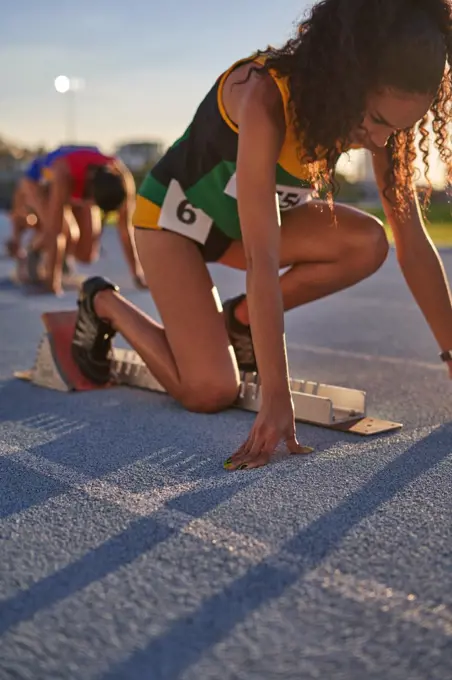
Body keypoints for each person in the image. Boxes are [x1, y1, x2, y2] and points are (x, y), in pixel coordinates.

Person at [71, 0, 452, 470]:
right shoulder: (264, 95)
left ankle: (242, 320)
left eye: (395, 129)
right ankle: (102, 303)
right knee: (209, 391)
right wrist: (276, 396)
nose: (378, 139)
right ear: (346, 77)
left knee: (370, 242)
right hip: (173, 222)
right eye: (375, 120)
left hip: (235, 232)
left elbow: (411, 242)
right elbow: (261, 260)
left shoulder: (379, 127)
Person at [7, 145, 146, 292]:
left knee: (87, 254)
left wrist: (137, 274)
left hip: (81, 182)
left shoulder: (123, 179)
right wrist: (53, 284)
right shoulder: (63, 173)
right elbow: (56, 231)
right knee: (66, 232)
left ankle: (60, 256)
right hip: (39, 183)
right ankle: (35, 251)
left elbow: (126, 231)